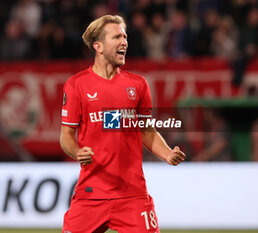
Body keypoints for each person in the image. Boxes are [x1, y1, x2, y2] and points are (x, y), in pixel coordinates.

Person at [60, 15, 186, 233]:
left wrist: (166, 154)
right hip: (91, 195)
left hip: (133, 195)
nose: (124, 42)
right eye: (117, 36)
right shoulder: (76, 85)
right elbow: (66, 135)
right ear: (98, 46)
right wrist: (77, 152)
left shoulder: (138, 85)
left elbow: (147, 131)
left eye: (125, 36)